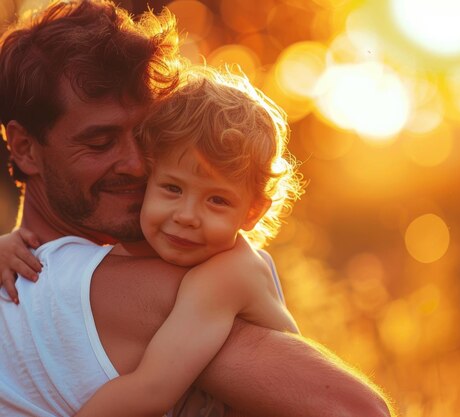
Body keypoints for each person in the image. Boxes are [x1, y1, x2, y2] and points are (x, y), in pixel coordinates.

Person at [0, 1, 393, 416]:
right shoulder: (141, 291)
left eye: (149, 137)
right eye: (100, 142)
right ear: (24, 148)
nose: (136, 164)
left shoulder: (19, 281)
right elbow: (358, 409)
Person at [74, 64, 307, 416]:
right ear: (146, 179)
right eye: (172, 188)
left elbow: (151, 390)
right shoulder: (149, 251)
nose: (186, 215)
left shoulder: (228, 275)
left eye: (217, 200)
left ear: (252, 211)